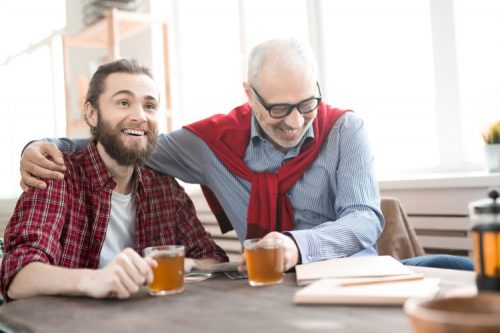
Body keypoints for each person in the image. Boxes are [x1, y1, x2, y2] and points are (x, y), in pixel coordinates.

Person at [19, 38, 473, 273]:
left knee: (459, 272)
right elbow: (130, 142)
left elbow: (365, 218)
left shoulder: (345, 129)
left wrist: (298, 245)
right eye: (278, 110)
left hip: (348, 278)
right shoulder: (209, 143)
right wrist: (47, 146)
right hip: (267, 288)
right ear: (249, 96)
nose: (295, 122)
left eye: (306, 104)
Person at [1, 59, 228, 302]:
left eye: (149, 106)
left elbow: (213, 258)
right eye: (123, 102)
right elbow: (17, 275)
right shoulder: (58, 175)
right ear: (91, 113)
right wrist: (93, 279)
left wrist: (189, 263)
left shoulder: (164, 188)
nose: (140, 116)